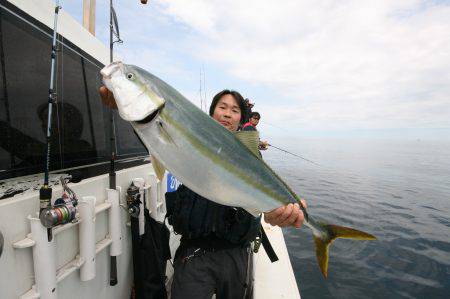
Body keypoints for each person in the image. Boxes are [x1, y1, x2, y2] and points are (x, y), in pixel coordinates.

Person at [99, 87, 306, 299]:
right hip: (193, 253)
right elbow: (158, 137)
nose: (227, 113)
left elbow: (264, 207)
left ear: (241, 119)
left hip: (235, 254)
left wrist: (276, 214)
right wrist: (127, 108)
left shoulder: (251, 162)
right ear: (211, 113)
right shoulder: (188, 142)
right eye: (222, 107)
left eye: (234, 110)